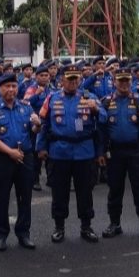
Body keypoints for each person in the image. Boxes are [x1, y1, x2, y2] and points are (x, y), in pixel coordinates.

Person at [37, 64, 106, 244]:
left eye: (76, 78)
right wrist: (41, 147)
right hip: (59, 151)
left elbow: (104, 119)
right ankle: (59, 227)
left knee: (85, 191)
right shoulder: (52, 98)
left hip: (84, 151)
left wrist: (96, 109)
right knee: (59, 191)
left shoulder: (89, 96)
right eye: (70, 78)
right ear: (62, 80)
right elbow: (44, 124)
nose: (74, 82)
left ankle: (86, 226)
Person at [98, 68, 139, 241]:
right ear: (114, 82)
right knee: (115, 190)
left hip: (136, 151)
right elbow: (101, 131)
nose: (124, 84)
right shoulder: (107, 102)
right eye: (121, 81)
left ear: (131, 82)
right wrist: (100, 152)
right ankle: (114, 224)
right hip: (115, 152)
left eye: (127, 81)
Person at [0, 73, 41, 251]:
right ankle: (1, 235)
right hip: (3, 158)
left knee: (25, 196)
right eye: (7, 86)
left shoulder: (25, 107)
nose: (11, 89)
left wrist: (38, 124)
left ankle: (23, 233)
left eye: (14, 86)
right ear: (0, 89)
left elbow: (32, 129)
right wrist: (10, 152)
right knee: (1, 197)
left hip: (25, 157)